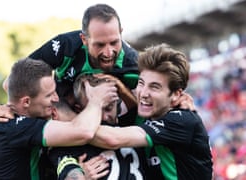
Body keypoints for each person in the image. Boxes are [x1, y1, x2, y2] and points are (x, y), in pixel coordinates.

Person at [0, 58, 118, 180]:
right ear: (26, 102)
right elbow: (83, 131)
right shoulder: (20, 127)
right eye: (49, 95)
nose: (56, 98)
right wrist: (97, 100)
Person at [90, 44, 213, 180]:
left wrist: (68, 126)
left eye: (154, 87)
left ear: (176, 95)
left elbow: (112, 139)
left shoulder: (183, 120)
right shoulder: (148, 115)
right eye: (141, 83)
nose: (143, 93)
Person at [2, 3, 139, 107]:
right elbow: (11, 84)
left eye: (114, 42)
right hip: (59, 115)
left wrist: (120, 88)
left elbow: (145, 107)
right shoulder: (66, 46)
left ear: (121, 32)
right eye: (100, 45)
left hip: (111, 125)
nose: (109, 53)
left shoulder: (133, 62)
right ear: (84, 39)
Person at [48, 73, 146, 180]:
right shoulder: (65, 147)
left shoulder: (129, 124)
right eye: (97, 109)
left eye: (109, 108)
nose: (104, 117)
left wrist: (120, 87)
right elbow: (68, 171)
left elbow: (134, 107)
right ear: (79, 109)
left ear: (117, 102)